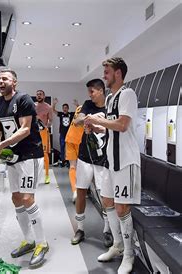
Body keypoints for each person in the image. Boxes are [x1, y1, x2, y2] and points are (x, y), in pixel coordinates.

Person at [0, 69, 48, 268]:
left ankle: (42, 243)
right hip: (12, 158)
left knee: (28, 198)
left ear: (14, 81)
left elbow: (26, 128)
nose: (0, 81)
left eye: (5, 78)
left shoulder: (24, 100)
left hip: (30, 155)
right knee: (16, 198)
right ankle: (28, 240)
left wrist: (1, 145)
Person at [85, 57, 141, 274]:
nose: (104, 76)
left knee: (121, 208)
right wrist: (96, 128)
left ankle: (129, 254)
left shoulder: (127, 94)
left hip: (125, 161)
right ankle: (117, 245)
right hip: (110, 160)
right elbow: (110, 129)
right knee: (107, 201)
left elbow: (122, 125)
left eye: (107, 72)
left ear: (118, 73)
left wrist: (97, 120)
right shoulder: (110, 99)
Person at [71, 79, 113, 249]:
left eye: (92, 92)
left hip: (103, 158)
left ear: (101, 90)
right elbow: (78, 120)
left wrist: (96, 124)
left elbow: (113, 127)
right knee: (81, 192)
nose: (90, 95)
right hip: (85, 156)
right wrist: (86, 119)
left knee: (105, 196)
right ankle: (80, 229)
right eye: (89, 92)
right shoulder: (88, 104)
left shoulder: (110, 105)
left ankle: (107, 230)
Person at [64, 105, 84, 202]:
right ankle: (80, 190)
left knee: (73, 166)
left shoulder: (79, 107)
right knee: (83, 167)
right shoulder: (91, 109)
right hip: (80, 140)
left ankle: (75, 190)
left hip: (70, 137)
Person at [52, 99, 77, 167]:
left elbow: (79, 111)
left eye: (66, 108)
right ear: (62, 109)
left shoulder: (71, 114)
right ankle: (63, 161)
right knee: (62, 147)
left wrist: (77, 105)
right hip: (62, 134)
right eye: (64, 108)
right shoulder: (61, 114)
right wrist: (54, 104)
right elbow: (53, 110)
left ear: (68, 108)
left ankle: (69, 162)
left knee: (69, 148)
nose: (65, 109)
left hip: (69, 134)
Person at [35, 90, 53, 184]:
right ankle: (35, 175)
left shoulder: (48, 107)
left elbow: (51, 120)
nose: (38, 96)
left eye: (40, 94)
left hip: (43, 132)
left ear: (44, 96)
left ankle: (46, 175)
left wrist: (47, 126)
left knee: (45, 154)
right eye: (37, 94)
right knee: (33, 154)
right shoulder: (33, 106)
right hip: (33, 133)